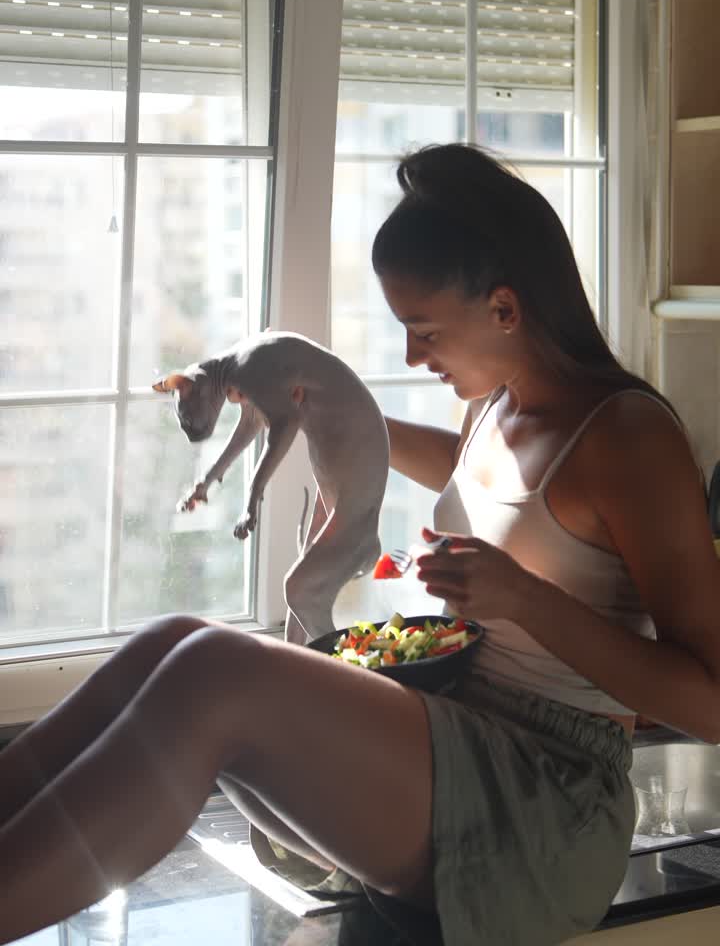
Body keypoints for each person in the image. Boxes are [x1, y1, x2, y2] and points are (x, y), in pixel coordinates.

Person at [2, 143, 720, 946]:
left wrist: (524, 600)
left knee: (211, 676)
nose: (415, 356)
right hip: (445, 741)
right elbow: (491, 483)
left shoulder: (629, 437)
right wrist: (326, 409)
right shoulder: (496, 410)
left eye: (423, 330)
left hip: (549, 799)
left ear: (506, 310)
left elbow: (710, 702)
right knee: (173, 639)